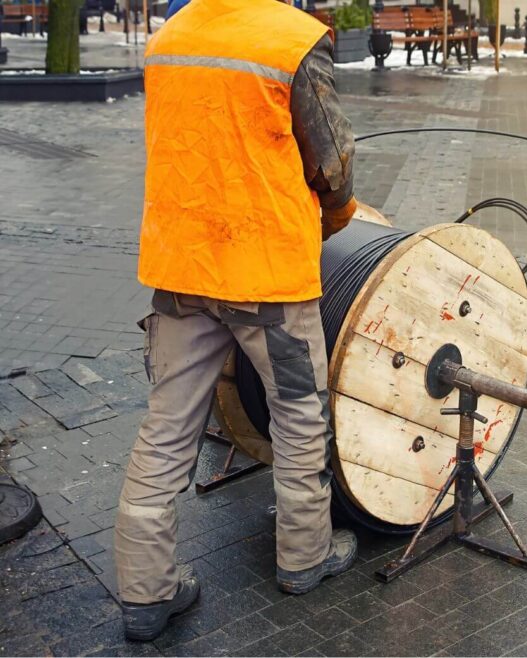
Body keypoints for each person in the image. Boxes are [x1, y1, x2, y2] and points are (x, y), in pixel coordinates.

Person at [115, 0, 373, 641]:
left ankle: (146, 594)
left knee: (167, 427)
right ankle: (304, 556)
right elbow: (332, 161)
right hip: (265, 275)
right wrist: (337, 221)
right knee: (297, 412)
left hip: (182, 266)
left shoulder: (170, 35)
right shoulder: (291, 39)